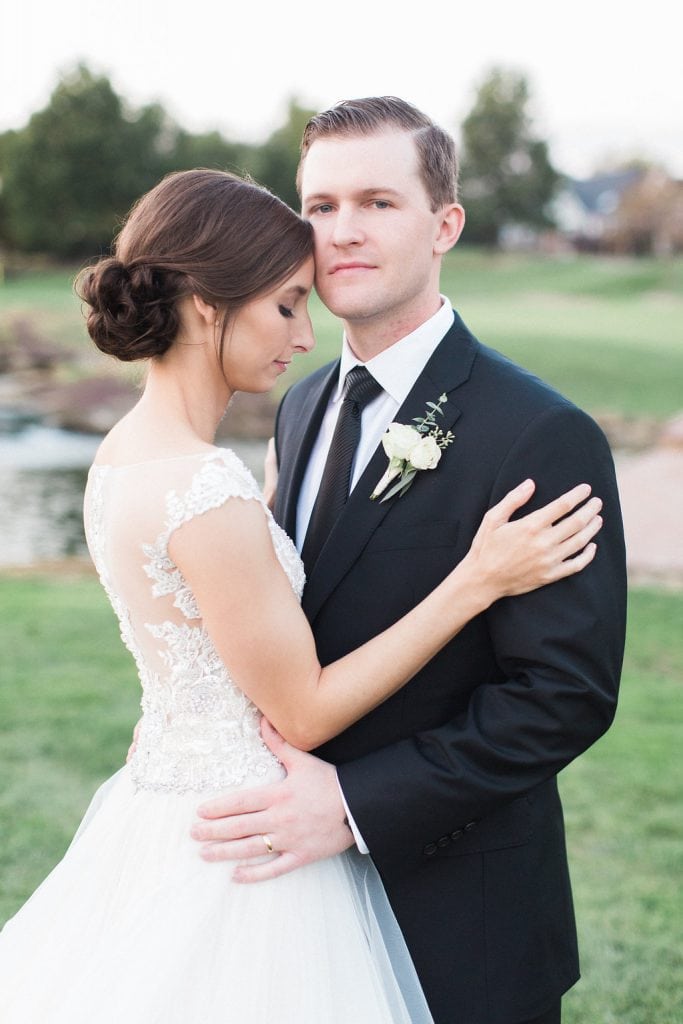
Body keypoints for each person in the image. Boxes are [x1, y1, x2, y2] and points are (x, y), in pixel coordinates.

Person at [0, 168, 603, 1024]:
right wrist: (475, 580)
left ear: (445, 223)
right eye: (286, 304)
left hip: (194, 802)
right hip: (249, 842)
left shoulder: (128, 451)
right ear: (207, 305)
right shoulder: (210, 477)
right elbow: (304, 708)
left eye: (377, 203)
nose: (304, 330)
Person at [188, 100, 628, 1024]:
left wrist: (351, 804)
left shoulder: (539, 432)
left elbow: (562, 695)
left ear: (445, 225)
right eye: (319, 205)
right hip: (293, 917)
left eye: (378, 202)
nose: (341, 232)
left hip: (460, 918)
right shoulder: (301, 407)